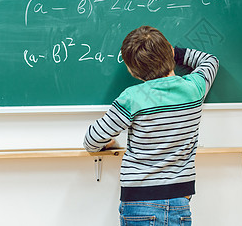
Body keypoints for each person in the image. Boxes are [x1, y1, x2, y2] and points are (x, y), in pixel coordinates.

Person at [83, 25, 219, 226]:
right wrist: (177, 54)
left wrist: (109, 143)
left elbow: (91, 140)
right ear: (169, 52)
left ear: (133, 71)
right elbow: (210, 61)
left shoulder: (132, 98)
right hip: (180, 201)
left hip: (138, 201)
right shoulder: (194, 88)